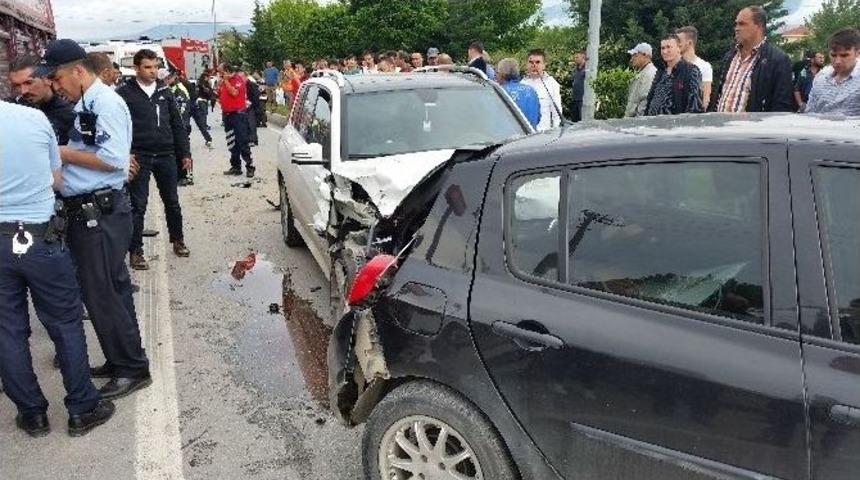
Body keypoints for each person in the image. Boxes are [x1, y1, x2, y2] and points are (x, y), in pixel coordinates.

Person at [38, 39, 151, 400]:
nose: (56, 86)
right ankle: (122, 360)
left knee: (103, 293)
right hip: (90, 212)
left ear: (78, 71)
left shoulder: (105, 103)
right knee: (109, 291)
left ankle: (132, 368)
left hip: (98, 213)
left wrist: (59, 152)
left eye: (56, 77)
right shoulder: (87, 102)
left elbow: (113, 159)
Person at [0, 100, 115, 437]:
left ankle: (32, 414)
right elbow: (54, 179)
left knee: (7, 330)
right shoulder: (33, 118)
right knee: (65, 323)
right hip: (39, 235)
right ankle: (83, 407)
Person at [116, 49, 192, 273]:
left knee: (172, 202)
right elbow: (119, 128)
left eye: (156, 67)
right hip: (140, 155)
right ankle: (136, 251)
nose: (153, 71)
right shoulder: (124, 94)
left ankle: (178, 240)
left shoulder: (165, 91)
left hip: (166, 154)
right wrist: (125, 154)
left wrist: (184, 154)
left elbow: (177, 124)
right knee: (138, 205)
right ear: (136, 68)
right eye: (148, 67)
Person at [715, 5, 794, 113]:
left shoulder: (778, 60)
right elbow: (718, 95)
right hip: (721, 126)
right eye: (736, 24)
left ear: (759, 26)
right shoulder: (729, 57)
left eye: (742, 24)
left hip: (751, 128)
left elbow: (781, 106)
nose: (736, 28)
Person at [8, 55, 76, 145]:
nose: (23, 91)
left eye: (29, 83)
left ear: (47, 79)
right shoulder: (10, 110)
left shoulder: (69, 115)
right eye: (16, 85)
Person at [805, 28, 860, 116]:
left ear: (857, 53)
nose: (837, 61)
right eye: (833, 55)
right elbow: (809, 112)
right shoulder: (820, 78)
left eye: (844, 55)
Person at [645, 33, 703, 116]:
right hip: (652, 125)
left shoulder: (691, 71)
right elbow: (650, 100)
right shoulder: (661, 72)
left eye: (669, 47)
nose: (665, 51)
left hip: (674, 126)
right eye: (663, 48)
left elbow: (695, 106)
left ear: (679, 48)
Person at [219, 64, 255, 178]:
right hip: (228, 116)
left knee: (242, 141)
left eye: (221, 72)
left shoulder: (237, 80)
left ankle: (250, 166)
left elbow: (234, 92)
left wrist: (226, 81)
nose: (220, 74)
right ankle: (235, 166)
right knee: (231, 141)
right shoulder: (225, 81)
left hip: (238, 116)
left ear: (227, 71)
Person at [521, 49, 564, 132]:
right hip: (524, 135)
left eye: (538, 62)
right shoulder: (522, 84)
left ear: (544, 65)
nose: (534, 65)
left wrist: (555, 133)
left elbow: (557, 115)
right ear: (526, 64)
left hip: (543, 135)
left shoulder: (552, 84)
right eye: (531, 62)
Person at [497, 58, 541, 129]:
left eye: (497, 72)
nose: (495, 76)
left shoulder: (499, 92)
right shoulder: (531, 90)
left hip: (510, 137)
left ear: (502, 74)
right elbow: (538, 117)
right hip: (532, 136)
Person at [676, 26, 714, 107]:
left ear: (689, 43)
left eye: (679, 41)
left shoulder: (704, 66)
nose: (676, 44)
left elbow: (706, 98)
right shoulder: (674, 65)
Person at [625, 43, 658, 117]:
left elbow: (644, 102)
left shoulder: (650, 74)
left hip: (638, 123)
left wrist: (637, 123)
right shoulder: (642, 72)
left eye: (635, 55)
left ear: (645, 55)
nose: (632, 59)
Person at [570, 49, 587, 122]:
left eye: (577, 57)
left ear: (583, 57)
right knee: (574, 121)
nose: (575, 59)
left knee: (581, 121)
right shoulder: (576, 69)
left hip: (582, 100)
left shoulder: (587, 69)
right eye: (575, 57)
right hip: (574, 99)